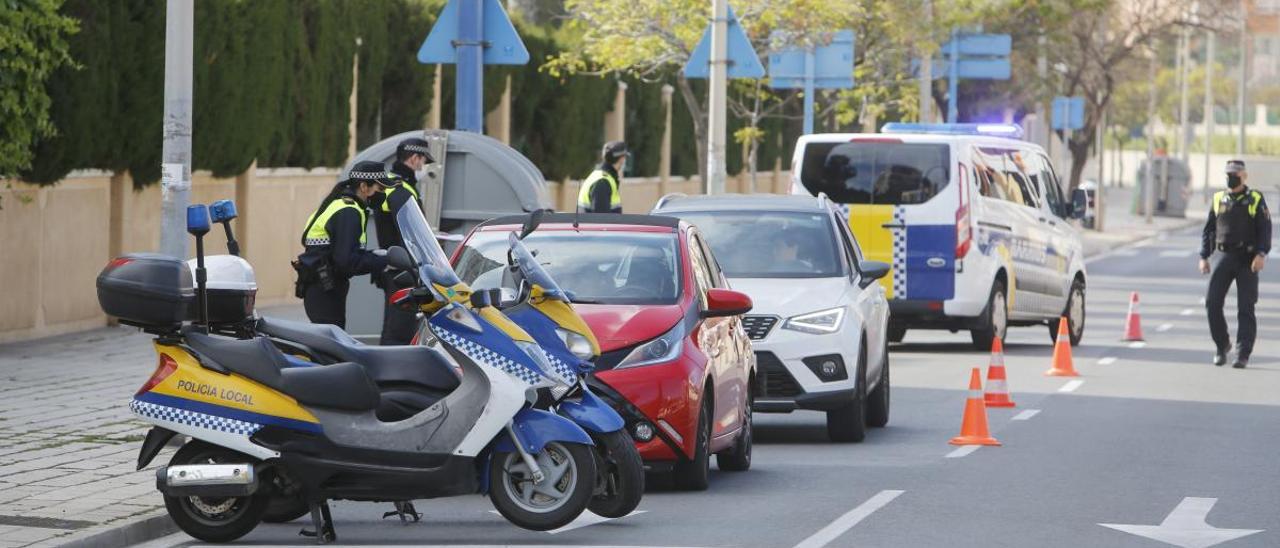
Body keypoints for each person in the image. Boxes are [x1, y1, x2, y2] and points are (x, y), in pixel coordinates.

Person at [294, 161, 392, 329]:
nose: (382, 194)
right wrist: (384, 260)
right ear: (364, 186)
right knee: (330, 348)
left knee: (330, 346)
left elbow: (344, 253)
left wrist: (374, 254)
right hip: (325, 290)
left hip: (323, 288)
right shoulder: (349, 211)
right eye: (380, 189)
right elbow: (346, 262)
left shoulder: (343, 205)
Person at [1198, 160, 1271, 368]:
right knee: (1212, 302)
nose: (1231, 178)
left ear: (1244, 176)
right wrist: (1204, 256)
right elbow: (1209, 230)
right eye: (1228, 174)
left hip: (1247, 259)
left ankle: (1243, 353)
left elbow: (1265, 229)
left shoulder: (1255, 199)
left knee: (1246, 307)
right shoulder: (1219, 198)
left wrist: (1261, 254)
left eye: (1235, 174)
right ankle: (1222, 345)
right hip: (1223, 255)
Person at [371, 137, 433, 345]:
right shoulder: (402, 189)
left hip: (392, 266)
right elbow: (412, 233)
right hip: (403, 269)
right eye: (423, 160)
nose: (423, 166)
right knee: (400, 330)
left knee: (392, 326)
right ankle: (392, 373)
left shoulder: (389, 183)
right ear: (415, 158)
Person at [577, 141, 628, 213]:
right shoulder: (602, 182)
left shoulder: (600, 176)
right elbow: (601, 220)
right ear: (621, 159)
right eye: (625, 157)